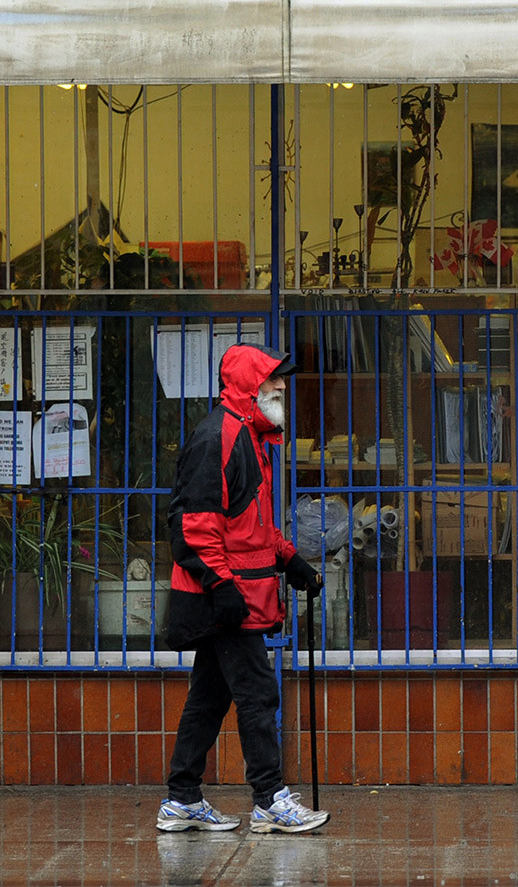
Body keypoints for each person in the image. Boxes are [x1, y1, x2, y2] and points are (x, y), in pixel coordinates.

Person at [157, 343, 328, 834]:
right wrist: (220, 583)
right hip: (228, 597)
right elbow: (195, 523)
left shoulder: (251, 438)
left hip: (236, 594)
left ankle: (182, 798)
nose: (281, 387)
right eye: (273, 379)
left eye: (282, 380)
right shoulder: (221, 438)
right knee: (257, 694)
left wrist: (288, 557)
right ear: (249, 385)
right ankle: (270, 799)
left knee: (208, 699)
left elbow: (250, 525)